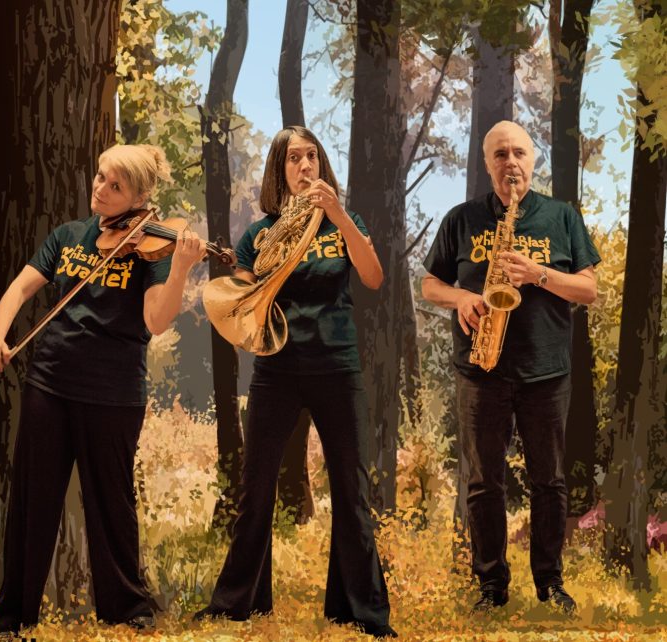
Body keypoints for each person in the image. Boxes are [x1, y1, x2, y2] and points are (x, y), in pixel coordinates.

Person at [0, 144, 205, 640]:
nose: (100, 189)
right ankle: (13, 617)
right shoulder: (68, 236)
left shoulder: (152, 248)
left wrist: (181, 270)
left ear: (140, 195)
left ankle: (128, 610)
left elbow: (155, 320)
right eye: (101, 177)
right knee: (33, 500)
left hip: (113, 392)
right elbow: (19, 290)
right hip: (50, 383)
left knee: (112, 503)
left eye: (115, 186)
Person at [193, 126, 396, 639]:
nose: (304, 166)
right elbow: (239, 295)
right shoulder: (259, 233)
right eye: (293, 160)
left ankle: (362, 610)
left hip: (337, 364)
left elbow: (372, 277)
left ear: (322, 165)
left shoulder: (342, 223)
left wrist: (341, 216)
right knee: (255, 487)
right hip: (276, 369)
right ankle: (237, 602)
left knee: (351, 488)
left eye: (312, 157)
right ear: (279, 171)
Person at [421, 120, 600, 614]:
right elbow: (429, 285)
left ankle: (550, 583)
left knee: (550, 480)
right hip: (481, 370)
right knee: (484, 483)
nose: (511, 162)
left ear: (533, 161)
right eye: (500, 154)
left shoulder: (561, 217)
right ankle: (491, 586)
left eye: (519, 152)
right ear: (487, 164)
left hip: (546, 371)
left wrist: (539, 274)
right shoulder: (462, 218)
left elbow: (589, 290)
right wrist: (460, 298)